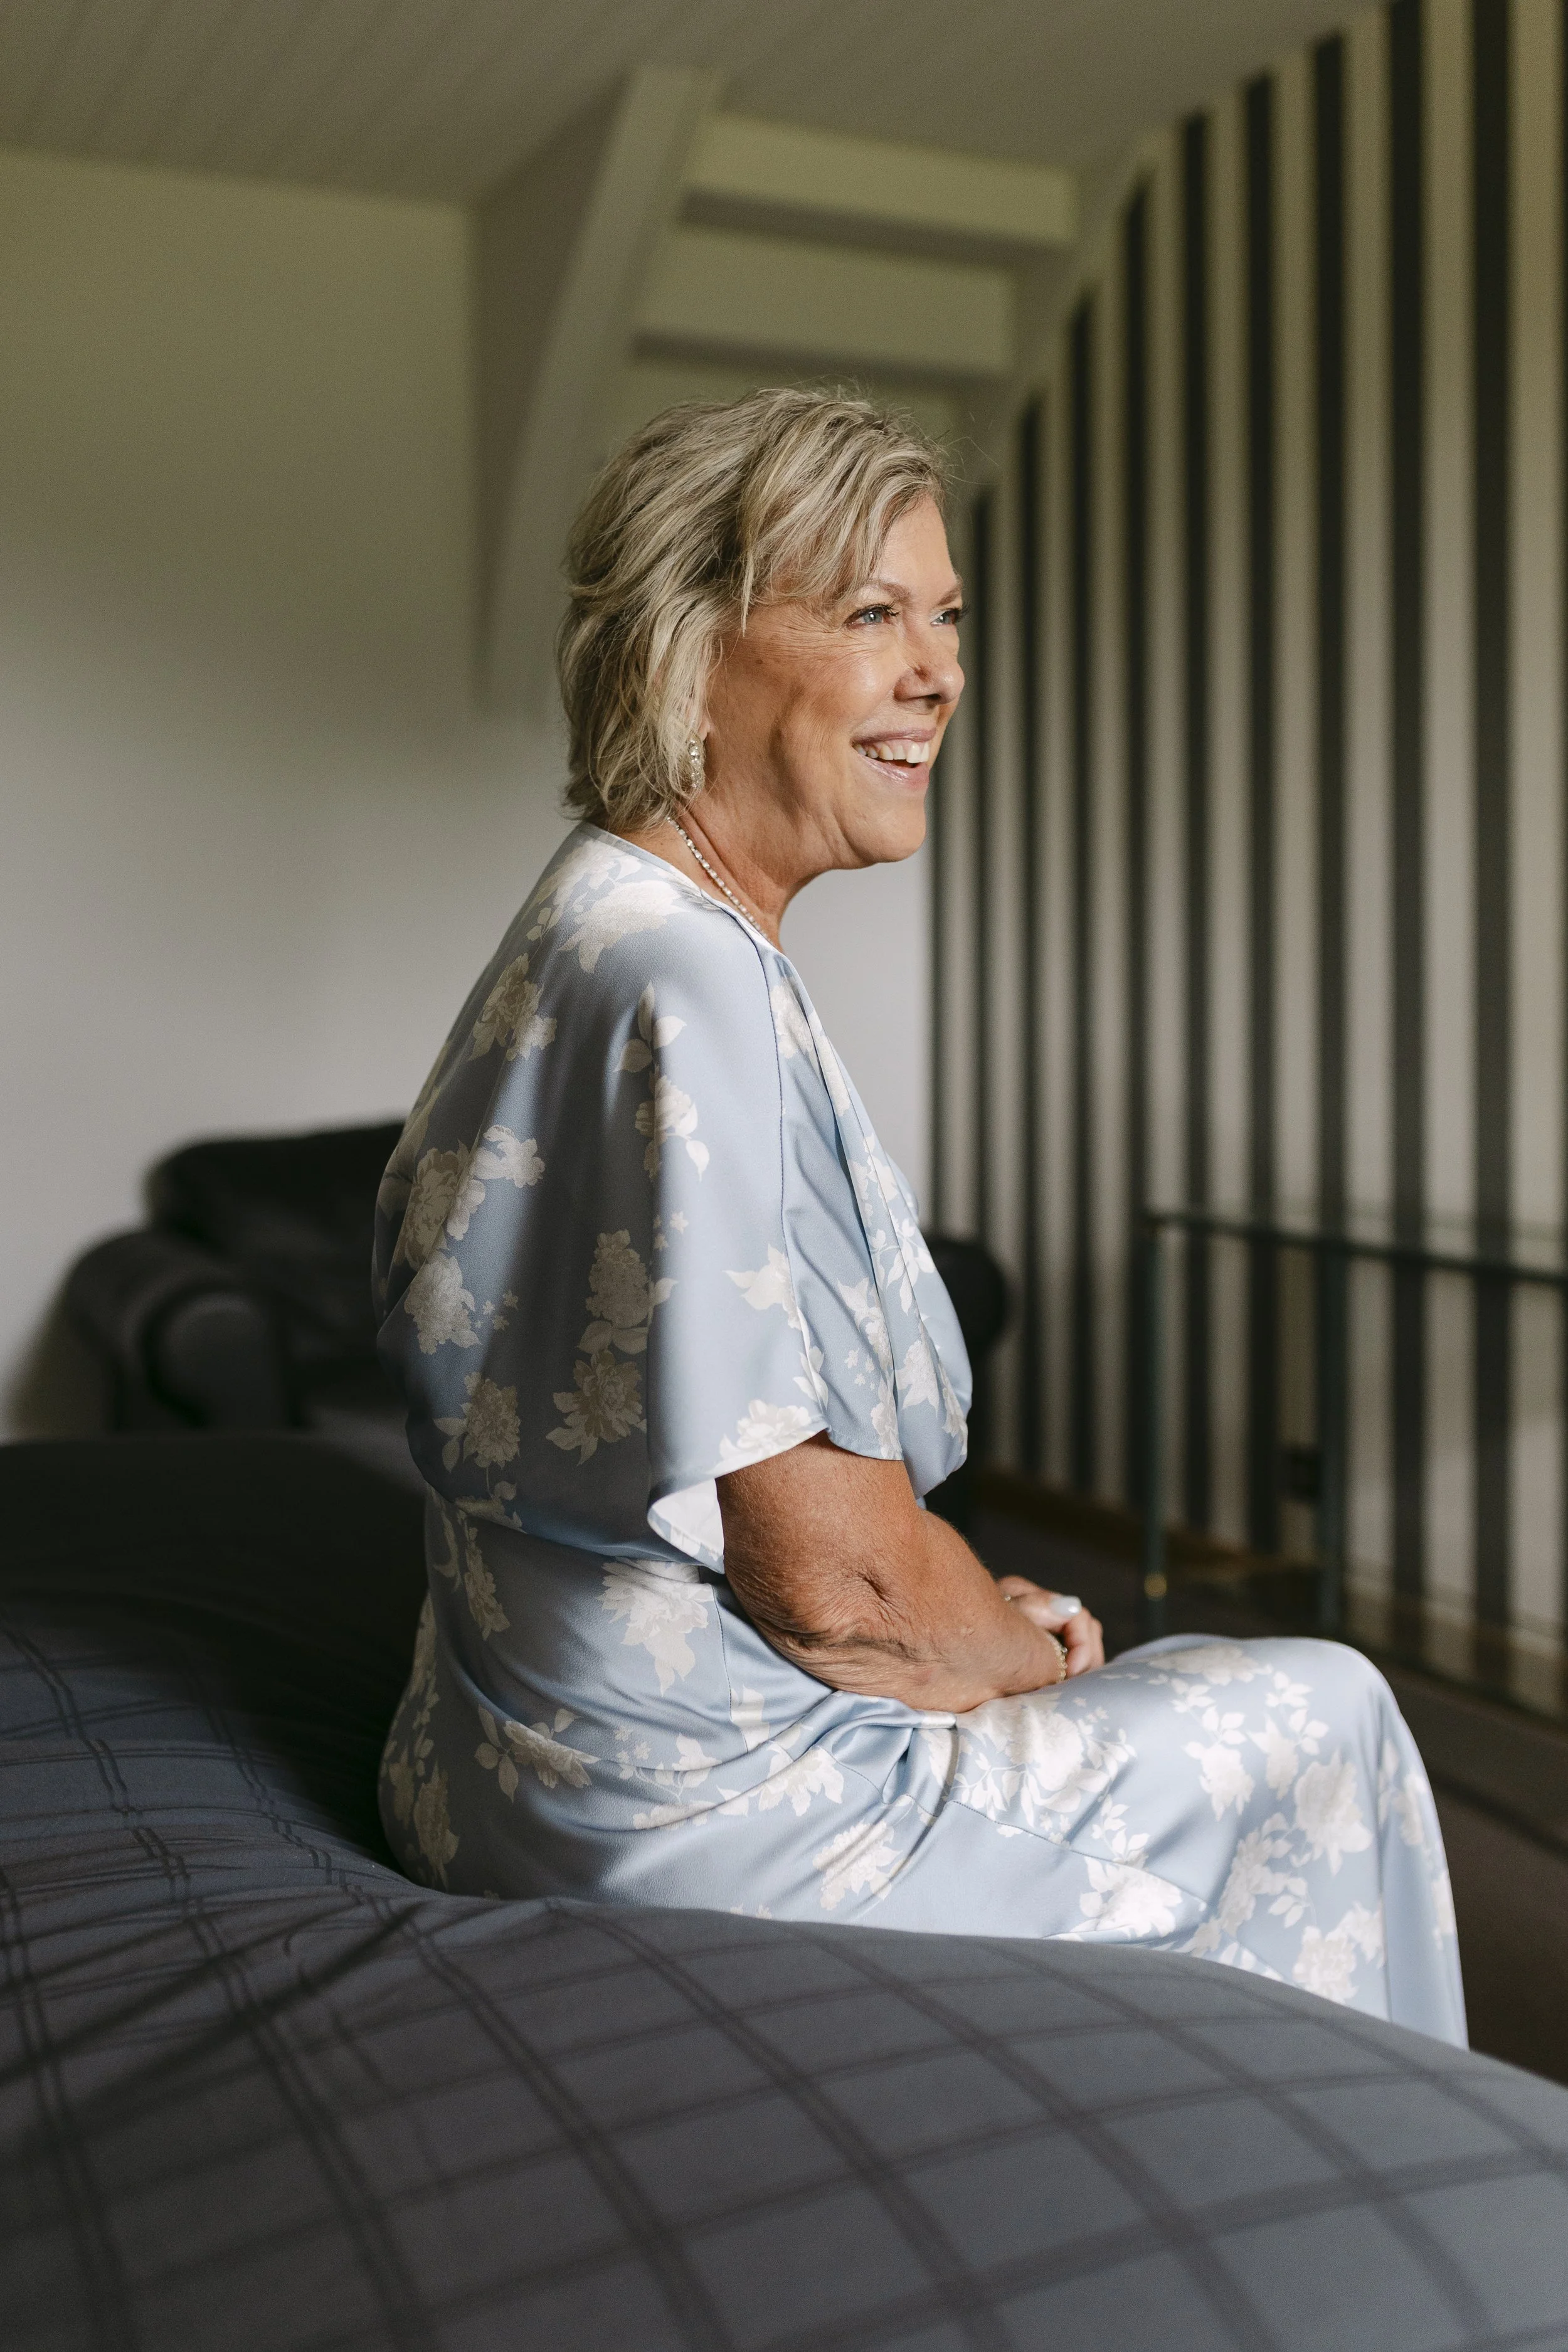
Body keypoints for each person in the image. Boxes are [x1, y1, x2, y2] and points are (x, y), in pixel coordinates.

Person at [373, 388, 1464, 2043]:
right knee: (1329, 1704)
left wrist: (974, 1616)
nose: (937, 670)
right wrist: (1027, 1663)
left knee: (1052, 1634)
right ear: (688, 648)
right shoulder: (685, 981)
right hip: (695, 1819)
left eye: (944, 615)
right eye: (870, 611)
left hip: (501, 1760)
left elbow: (805, 1529)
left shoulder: (590, 919)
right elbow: (840, 1594)